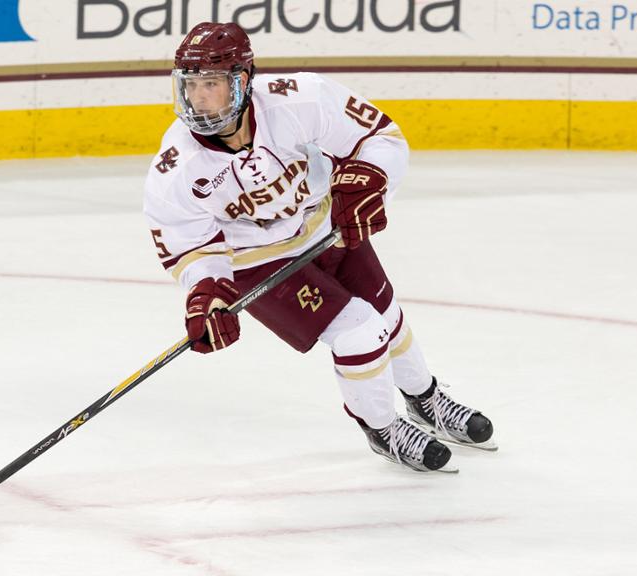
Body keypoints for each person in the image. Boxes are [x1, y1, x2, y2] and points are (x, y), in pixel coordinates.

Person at [143, 21, 495, 472]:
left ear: (243, 81)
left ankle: (426, 401)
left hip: (329, 225)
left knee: (386, 314)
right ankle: (383, 429)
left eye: (211, 83)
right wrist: (206, 290)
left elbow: (379, 138)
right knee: (360, 331)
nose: (197, 98)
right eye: (189, 85)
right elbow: (186, 245)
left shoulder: (299, 99)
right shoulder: (176, 166)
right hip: (260, 263)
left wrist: (370, 177)